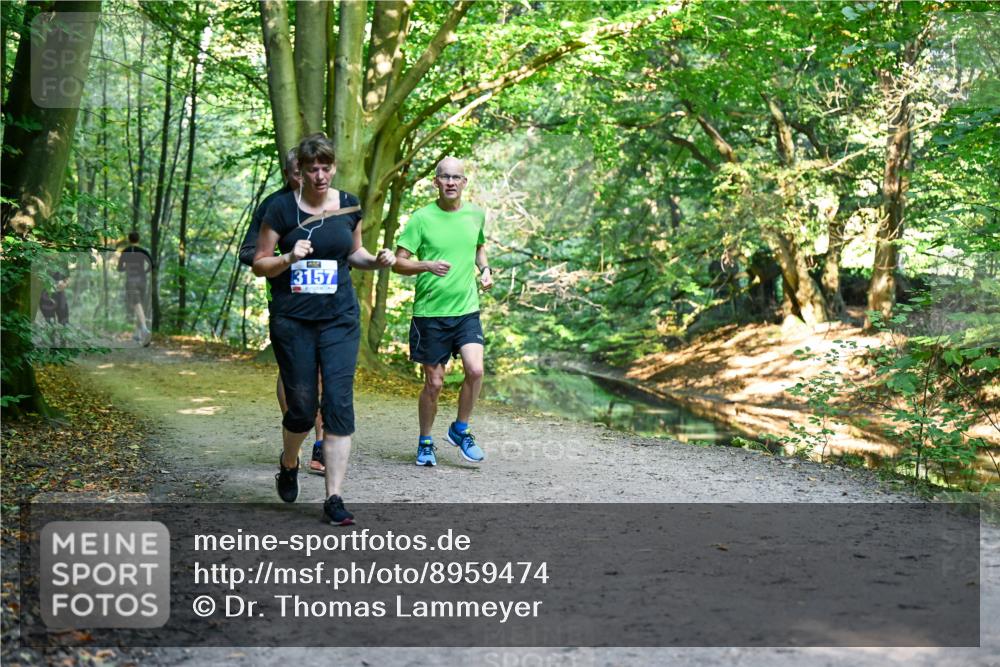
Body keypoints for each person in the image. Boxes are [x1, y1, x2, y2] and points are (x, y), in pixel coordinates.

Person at [253, 133, 395, 526]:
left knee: (338, 402)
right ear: (300, 169)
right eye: (311, 168)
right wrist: (287, 257)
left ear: (333, 167)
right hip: (293, 320)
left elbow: (354, 253)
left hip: (339, 318)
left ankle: (334, 497)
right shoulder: (280, 208)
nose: (319, 175)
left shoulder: (349, 204)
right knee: (300, 408)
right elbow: (259, 263)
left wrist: (377, 259)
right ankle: (288, 462)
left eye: (325, 167)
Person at [393, 156, 493, 467]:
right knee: (434, 383)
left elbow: (478, 247)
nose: (450, 182)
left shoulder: (476, 215)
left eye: (456, 177)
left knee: (475, 370)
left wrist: (486, 269)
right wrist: (426, 265)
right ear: (436, 182)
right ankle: (425, 442)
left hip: (466, 310)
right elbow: (398, 261)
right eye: (444, 177)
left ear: (464, 183)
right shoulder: (421, 219)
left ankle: (460, 429)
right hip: (430, 314)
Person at [239, 148, 325, 475]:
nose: (304, 180)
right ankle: (295, 435)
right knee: (293, 369)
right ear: (287, 173)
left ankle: (321, 444)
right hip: (288, 299)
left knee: (323, 368)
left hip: (327, 301)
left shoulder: (333, 202)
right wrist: (283, 258)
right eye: (296, 174)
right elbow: (249, 252)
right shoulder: (274, 206)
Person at [117, 231, 153, 347]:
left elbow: (119, 268)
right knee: (139, 305)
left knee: (136, 305)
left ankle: (144, 329)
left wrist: (126, 269)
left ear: (129, 239)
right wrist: (144, 271)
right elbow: (152, 265)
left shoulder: (125, 251)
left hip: (131, 281)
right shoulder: (143, 251)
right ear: (138, 239)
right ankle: (137, 334)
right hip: (142, 281)